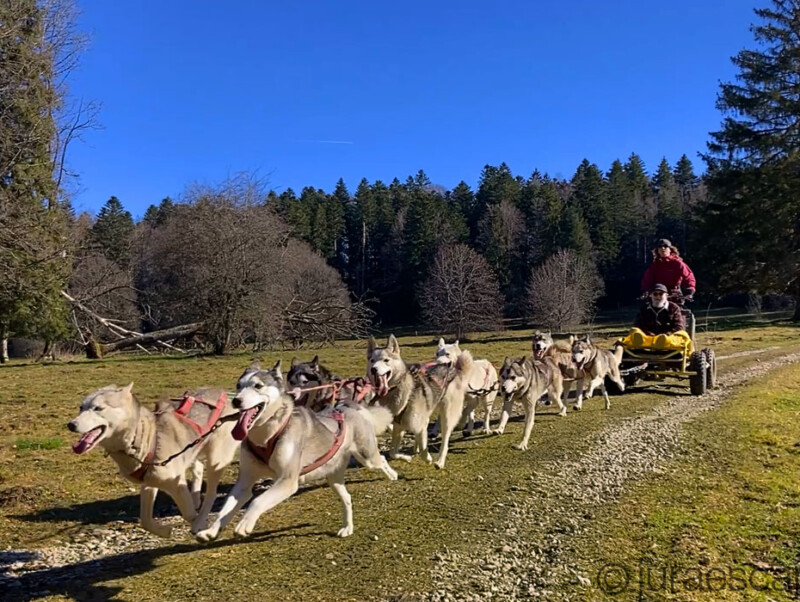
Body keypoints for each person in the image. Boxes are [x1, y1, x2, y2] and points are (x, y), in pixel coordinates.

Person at [622, 283, 692, 351]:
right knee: (634, 331)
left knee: (682, 334)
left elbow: (679, 327)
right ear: (651, 296)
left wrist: (666, 335)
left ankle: (662, 342)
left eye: (661, 294)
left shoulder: (674, 308)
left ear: (666, 296)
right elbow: (638, 325)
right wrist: (648, 334)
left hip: (669, 339)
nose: (658, 297)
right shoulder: (644, 308)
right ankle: (639, 344)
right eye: (655, 294)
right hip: (647, 339)